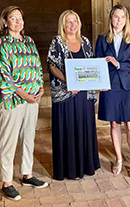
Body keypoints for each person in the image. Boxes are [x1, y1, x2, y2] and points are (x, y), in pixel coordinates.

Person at [0, 6, 48, 201]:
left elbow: (37, 67)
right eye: (13, 18)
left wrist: (40, 88)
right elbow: (4, 75)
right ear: (5, 22)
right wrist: (24, 94)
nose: (18, 22)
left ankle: (27, 174)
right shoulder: (2, 44)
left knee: (28, 137)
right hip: (12, 99)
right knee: (8, 140)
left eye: (20, 18)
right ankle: (6, 182)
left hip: (32, 98)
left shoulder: (29, 42)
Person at [47, 10, 100, 180]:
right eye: (69, 22)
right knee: (68, 129)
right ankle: (69, 169)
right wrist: (68, 82)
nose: (72, 25)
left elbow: (91, 65)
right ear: (63, 24)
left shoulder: (84, 41)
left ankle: (86, 166)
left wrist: (99, 82)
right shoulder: (57, 41)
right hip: (66, 94)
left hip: (83, 94)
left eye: (75, 21)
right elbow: (51, 65)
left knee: (83, 127)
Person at [95, 4, 130, 178]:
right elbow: (97, 63)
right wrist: (99, 81)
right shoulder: (102, 39)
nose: (119, 20)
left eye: (122, 17)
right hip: (110, 85)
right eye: (116, 16)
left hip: (128, 86)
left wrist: (119, 64)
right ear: (111, 18)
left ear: (127, 20)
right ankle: (119, 159)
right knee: (114, 123)